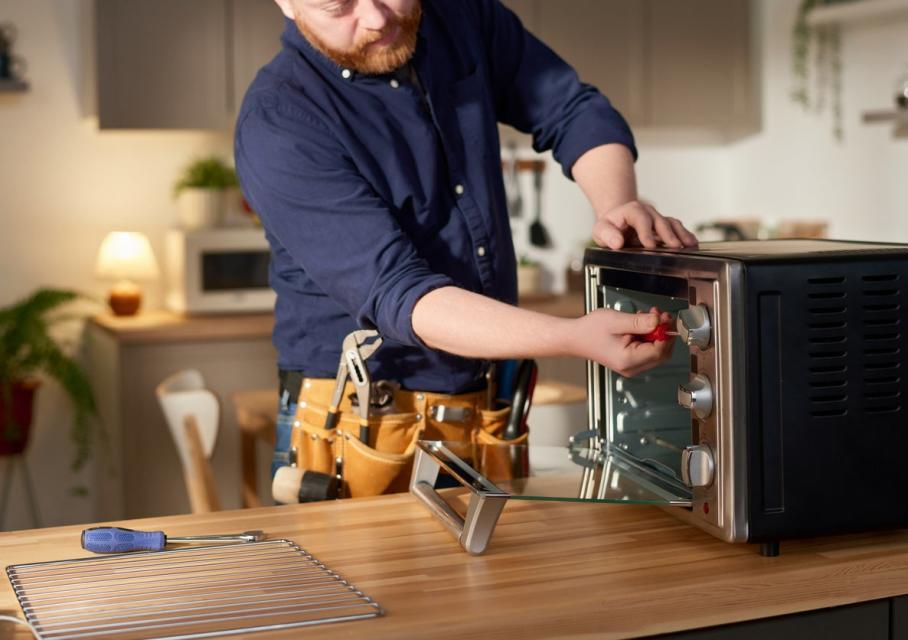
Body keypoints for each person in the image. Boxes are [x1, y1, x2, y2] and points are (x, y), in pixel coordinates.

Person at [235, 0, 699, 488]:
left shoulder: (459, 16)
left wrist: (615, 206)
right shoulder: (278, 120)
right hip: (361, 425)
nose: (376, 18)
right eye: (338, 6)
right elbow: (404, 296)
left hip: (486, 406)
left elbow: (571, 109)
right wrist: (571, 337)